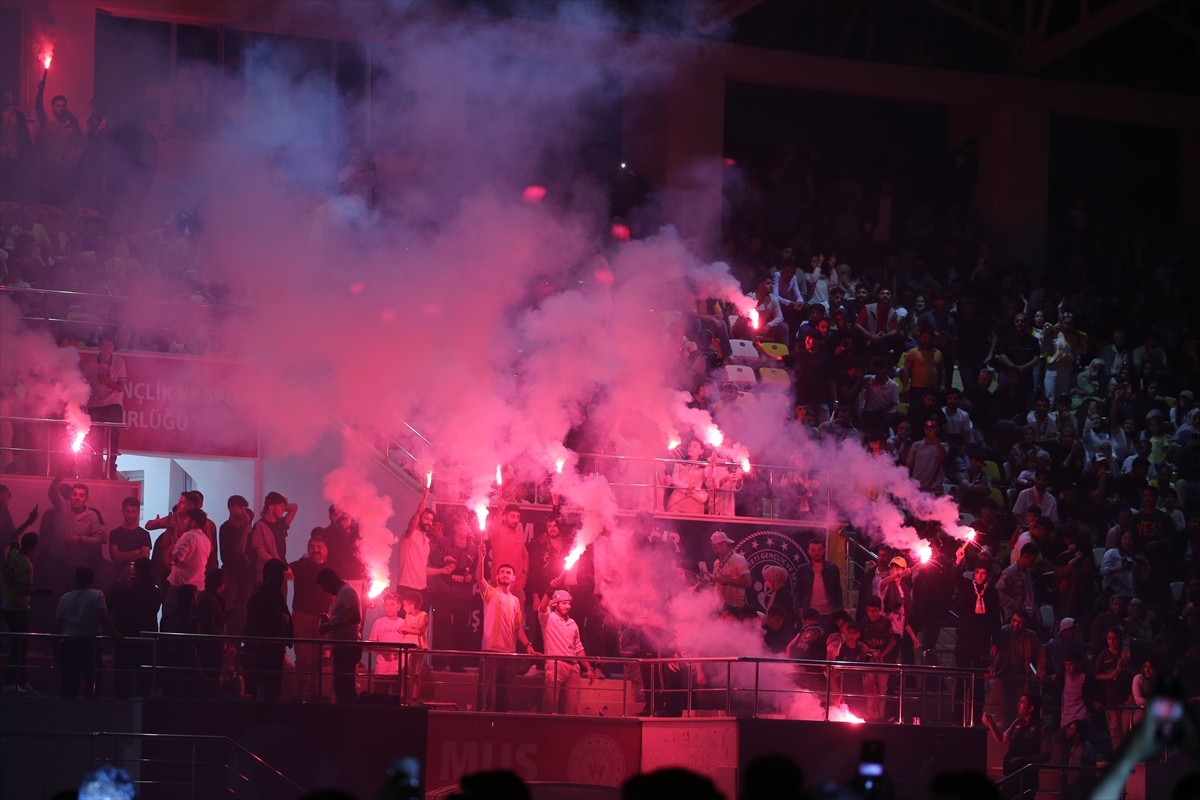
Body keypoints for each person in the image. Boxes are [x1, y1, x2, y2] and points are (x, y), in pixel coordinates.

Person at [476, 537, 534, 712]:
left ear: (514, 579)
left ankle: (500, 725)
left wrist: (528, 645)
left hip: (509, 653)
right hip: (490, 651)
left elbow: (518, 628)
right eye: (502, 572)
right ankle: (482, 725)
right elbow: (479, 578)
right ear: (496, 576)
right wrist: (481, 557)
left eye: (508, 573)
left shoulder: (515, 601)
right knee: (485, 693)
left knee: (505, 694)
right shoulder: (490, 593)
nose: (505, 574)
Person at [54, 566, 121, 698]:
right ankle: (89, 711)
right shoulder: (97, 595)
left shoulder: (65, 598)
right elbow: (103, 619)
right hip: (89, 644)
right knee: (94, 681)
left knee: (69, 682)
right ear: (91, 580)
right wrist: (115, 634)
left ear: (75, 579)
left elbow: (58, 625)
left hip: (68, 643)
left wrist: (54, 647)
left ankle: (67, 714)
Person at [106, 557, 162, 699]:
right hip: (146, 643)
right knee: (145, 686)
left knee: (122, 685)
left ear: (135, 571)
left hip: (125, 641)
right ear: (151, 572)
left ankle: (119, 717)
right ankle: (144, 718)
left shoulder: (124, 593)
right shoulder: (156, 594)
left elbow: (108, 600)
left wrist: (120, 582)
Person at [984, 692, 1051, 800]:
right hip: (1011, 774)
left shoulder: (1043, 728)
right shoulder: (1017, 722)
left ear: (1030, 708)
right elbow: (1002, 739)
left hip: (1027, 778)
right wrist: (991, 724)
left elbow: (1047, 756)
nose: (1018, 704)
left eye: (1022, 702)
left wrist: (1023, 760)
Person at [289, 534, 332, 702]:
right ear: (307, 549)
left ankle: (318, 693)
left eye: (319, 546)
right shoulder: (299, 565)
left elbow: (335, 596)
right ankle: (303, 692)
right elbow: (284, 572)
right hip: (301, 615)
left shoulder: (330, 569)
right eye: (312, 546)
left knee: (320, 657)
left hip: (323, 618)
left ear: (326, 550)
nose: (315, 549)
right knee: (303, 655)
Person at [538, 589, 595, 714]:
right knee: (550, 704)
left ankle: (569, 731)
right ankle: (548, 729)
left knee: (572, 708)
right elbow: (542, 607)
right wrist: (549, 590)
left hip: (573, 667)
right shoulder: (548, 618)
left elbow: (578, 647)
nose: (568, 606)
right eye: (564, 603)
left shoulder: (572, 623)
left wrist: (588, 668)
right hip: (555, 664)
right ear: (555, 604)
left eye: (569, 603)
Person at [242, 558, 291, 702]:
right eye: (280, 575)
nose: (282, 578)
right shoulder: (260, 595)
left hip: (273, 649)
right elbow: (260, 622)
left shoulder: (274, 594)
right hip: (264, 652)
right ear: (270, 574)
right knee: (263, 686)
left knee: (272, 687)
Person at [80, 334, 126, 479]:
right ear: (99, 346)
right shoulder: (89, 364)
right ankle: (96, 470)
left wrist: (106, 381)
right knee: (95, 438)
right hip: (95, 404)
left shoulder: (119, 363)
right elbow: (82, 386)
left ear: (113, 348)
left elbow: (120, 387)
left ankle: (111, 468)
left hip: (113, 403)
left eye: (110, 346)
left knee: (114, 437)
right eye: (104, 346)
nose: (107, 350)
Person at [317, 566, 363, 704]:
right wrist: (331, 621)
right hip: (343, 646)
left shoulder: (347, 592)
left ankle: (348, 715)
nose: (325, 590)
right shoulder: (344, 593)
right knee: (342, 685)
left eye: (324, 586)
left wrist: (331, 625)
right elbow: (349, 617)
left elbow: (355, 617)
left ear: (330, 581)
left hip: (346, 647)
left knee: (344, 686)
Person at [2, 532, 40, 695]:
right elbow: (25, 590)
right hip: (18, 609)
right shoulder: (27, 566)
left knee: (19, 645)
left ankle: (21, 680)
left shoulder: (13, 553)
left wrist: (29, 520)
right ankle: (11, 682)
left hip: (5, 604)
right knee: (19, 647)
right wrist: (40, 593)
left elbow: (14, 534)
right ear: (35, 547)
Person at [217, 495, 253, 635]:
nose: (243, 511)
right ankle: (225, 642)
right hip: (232, 574)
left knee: (242, 613)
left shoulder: (246, 529)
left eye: (244, 507)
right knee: (229, 610)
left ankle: (236, 644)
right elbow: (239, 550)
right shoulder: (226, 528)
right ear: (231, 508)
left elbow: (248, 552)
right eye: (240, 507)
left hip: (246, 575)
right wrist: (245, 531)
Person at [165, 508, 212, 615]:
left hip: (181, 587)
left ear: (193, 522)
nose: (183, 521)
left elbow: (177, 558)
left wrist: (172, 543)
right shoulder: (206, 540)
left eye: (186, 518)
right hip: (198, 587)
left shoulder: (188, 536)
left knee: (171, 619)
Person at [793, 536, 843, 630]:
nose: (816, 553)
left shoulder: (832, 569)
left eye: (819, 550)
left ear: (823, 550)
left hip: (829, 613)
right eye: (813, 550)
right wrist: (799, 608)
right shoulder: (802, 570)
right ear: (808, 551)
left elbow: (838, 591)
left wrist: (840, 612)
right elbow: (798, 591)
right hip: (810, 613)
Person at [248, 492, 297, 585]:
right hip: (266, 574)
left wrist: (280, 506)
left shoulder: (281, 523)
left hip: (281, 573)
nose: (283, 510)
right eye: (281, 507)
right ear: (271, 508)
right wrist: (281, 566)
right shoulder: (259, 526)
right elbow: (262, 553)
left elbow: (294, 507)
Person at [367, 590, 405, 695]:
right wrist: (384, 651)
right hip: (382, 669)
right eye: (387, 604)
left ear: (399, 606)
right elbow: (372, 643)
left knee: (397, 699)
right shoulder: (378, 623)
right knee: (379, 697)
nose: (389, 607)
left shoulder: (404, 623)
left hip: (398, 669)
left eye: (392, 604)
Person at [705, 530, 751, 617]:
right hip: (719, 607)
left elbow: (748, 582)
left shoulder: (738, 559)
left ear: (724, 544)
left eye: (716, 548)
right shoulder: (717, 563)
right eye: (713, 548)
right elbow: (718, 582)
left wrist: (727, 581)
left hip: (736, 608)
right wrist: (711, 580)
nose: (714, 551)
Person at [398, 590, 429, 702]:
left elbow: (418, 630)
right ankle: (401, 696)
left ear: (412, 605)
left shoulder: (424, 615)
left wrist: (407, 628)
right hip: (407, 646)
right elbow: (407, 629)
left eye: (405, 605)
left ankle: (414, 698)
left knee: (415, 674)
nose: (404, 608)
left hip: (418, 648)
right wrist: (411, 627)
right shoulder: (408, 615)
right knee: (403, 672)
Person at [108, 497, 150, 566]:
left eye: (133, 511)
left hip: (138, 575)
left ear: (138, 512)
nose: (131, 515)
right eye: (128, 511)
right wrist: (136, 552)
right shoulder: (115, 533)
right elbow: (115, 556)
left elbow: (145, 557)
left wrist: (124, 556)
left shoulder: (144, 534)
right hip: (118, 574)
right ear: (123, 511)